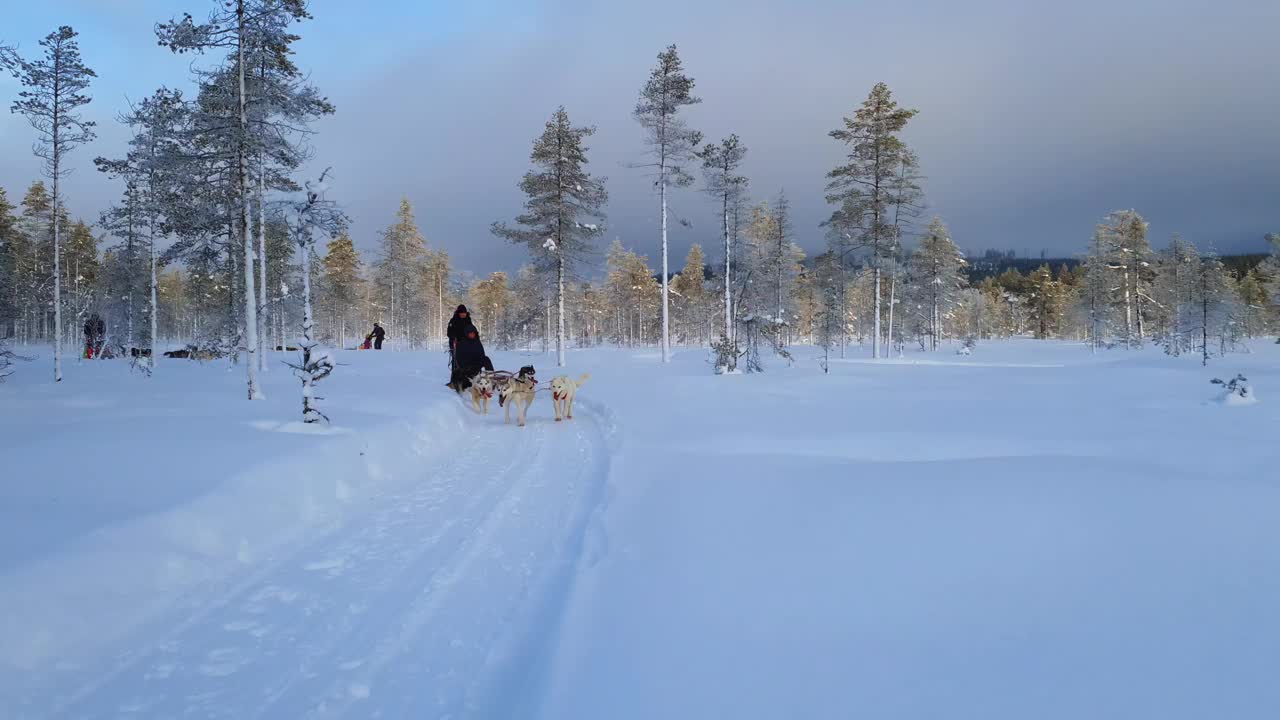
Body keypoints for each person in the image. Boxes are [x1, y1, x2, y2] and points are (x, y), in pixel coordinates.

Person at [449, 325, 494, 391]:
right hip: (466, 367)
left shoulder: (477, 342)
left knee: (486, 359)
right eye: (470, 333)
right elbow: (459, 359)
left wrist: (478, 361)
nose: (472, 334)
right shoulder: (461, 343)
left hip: (476, 366)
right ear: (467, 333)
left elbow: (482, 354)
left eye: (473, 333)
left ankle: (490, 377)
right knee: (458, 375)